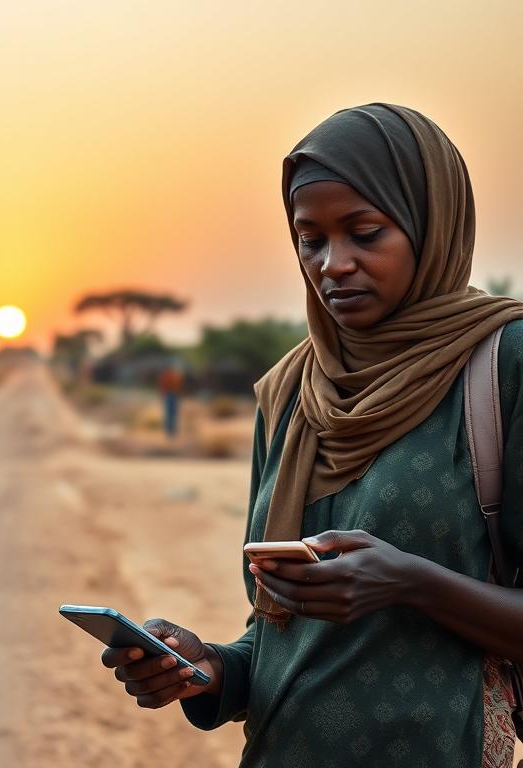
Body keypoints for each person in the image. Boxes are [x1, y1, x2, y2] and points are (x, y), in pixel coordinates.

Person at [100, 103, 523, 767]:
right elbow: (280, 641)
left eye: (365, 233)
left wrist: (411, 583)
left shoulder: (504, 366)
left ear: (431, 222)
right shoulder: (293, 391)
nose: (333, 264)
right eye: (310, 239)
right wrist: (206, 668)